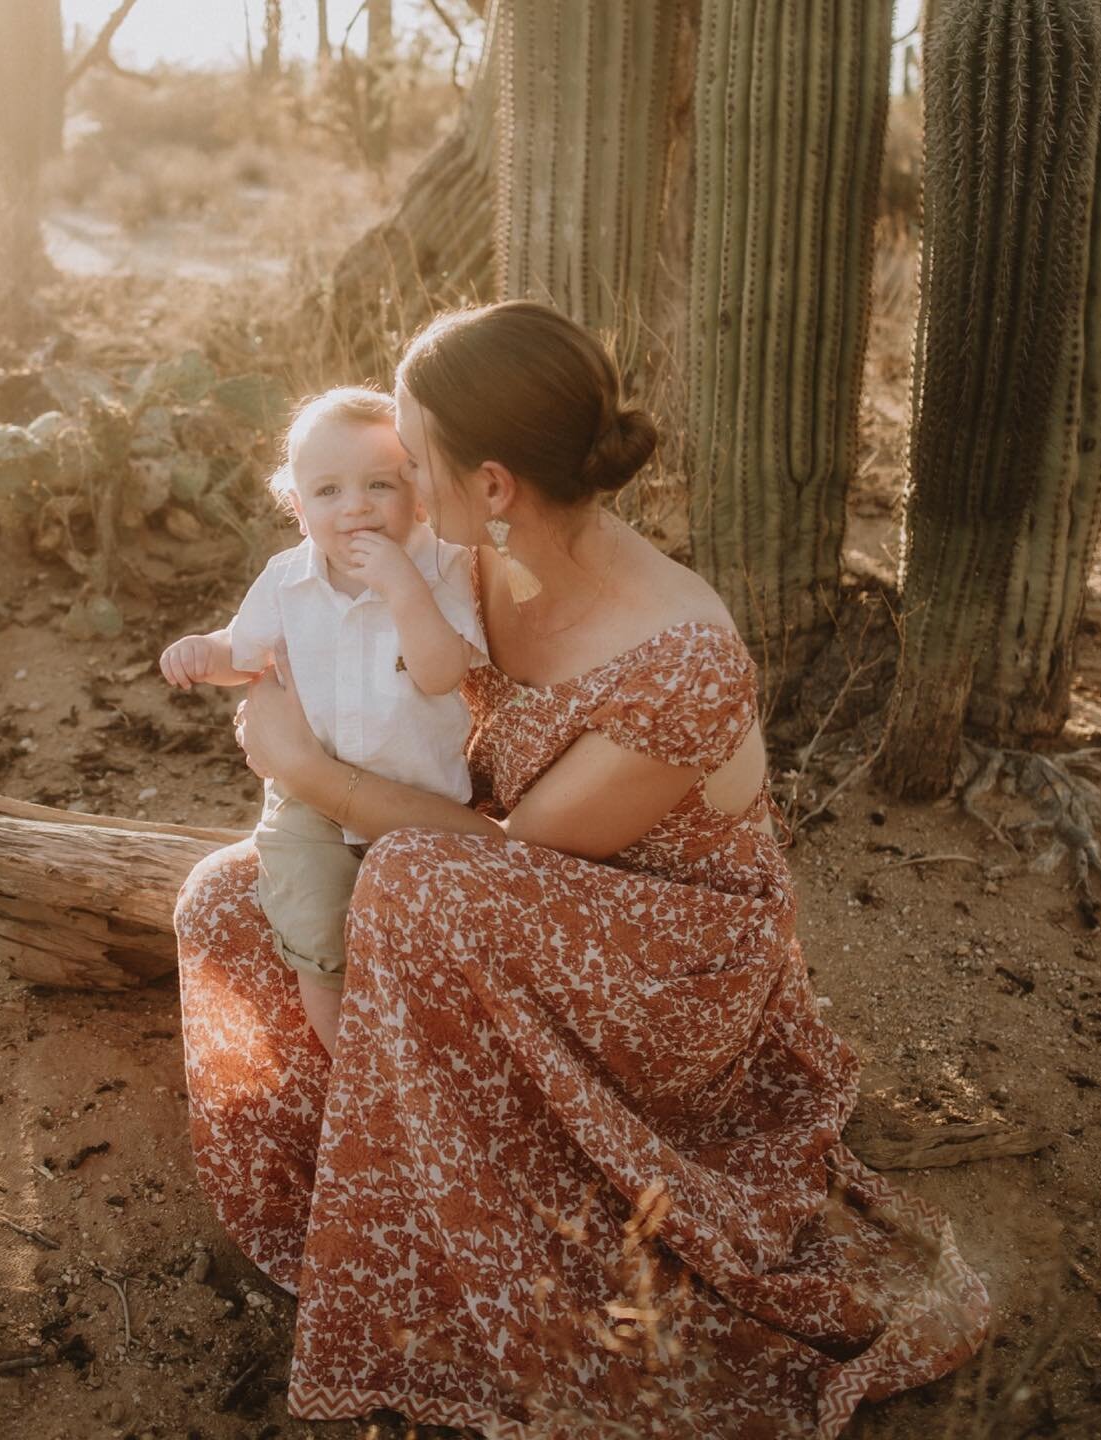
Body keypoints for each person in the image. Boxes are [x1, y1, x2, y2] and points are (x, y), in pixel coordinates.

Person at [174, 301, 989, 1438]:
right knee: (226, 901)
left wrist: (310, 774)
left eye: (414, 448)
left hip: (666, 959)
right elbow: (332, 616)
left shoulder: (680, 660)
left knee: (408, 885)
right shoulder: (459, 552)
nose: (396, 470)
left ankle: (468, 1221)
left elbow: (502, 858)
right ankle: (384, 1192)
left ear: (493, 482)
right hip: (502, 896)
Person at [160, 387, 485, 1056]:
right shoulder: (287, 581)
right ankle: (350, 1060)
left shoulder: (443, 568)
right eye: (329, 491)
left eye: (378, 485)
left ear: (416, 495)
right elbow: (243, 652)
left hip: (421, 796)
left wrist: (404, 588)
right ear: (299, 508)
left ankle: (423, 1048)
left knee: (417, 931)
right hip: (309, 802)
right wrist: (208, 654)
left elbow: (440, 673)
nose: (357, 506)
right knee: (316, 923)